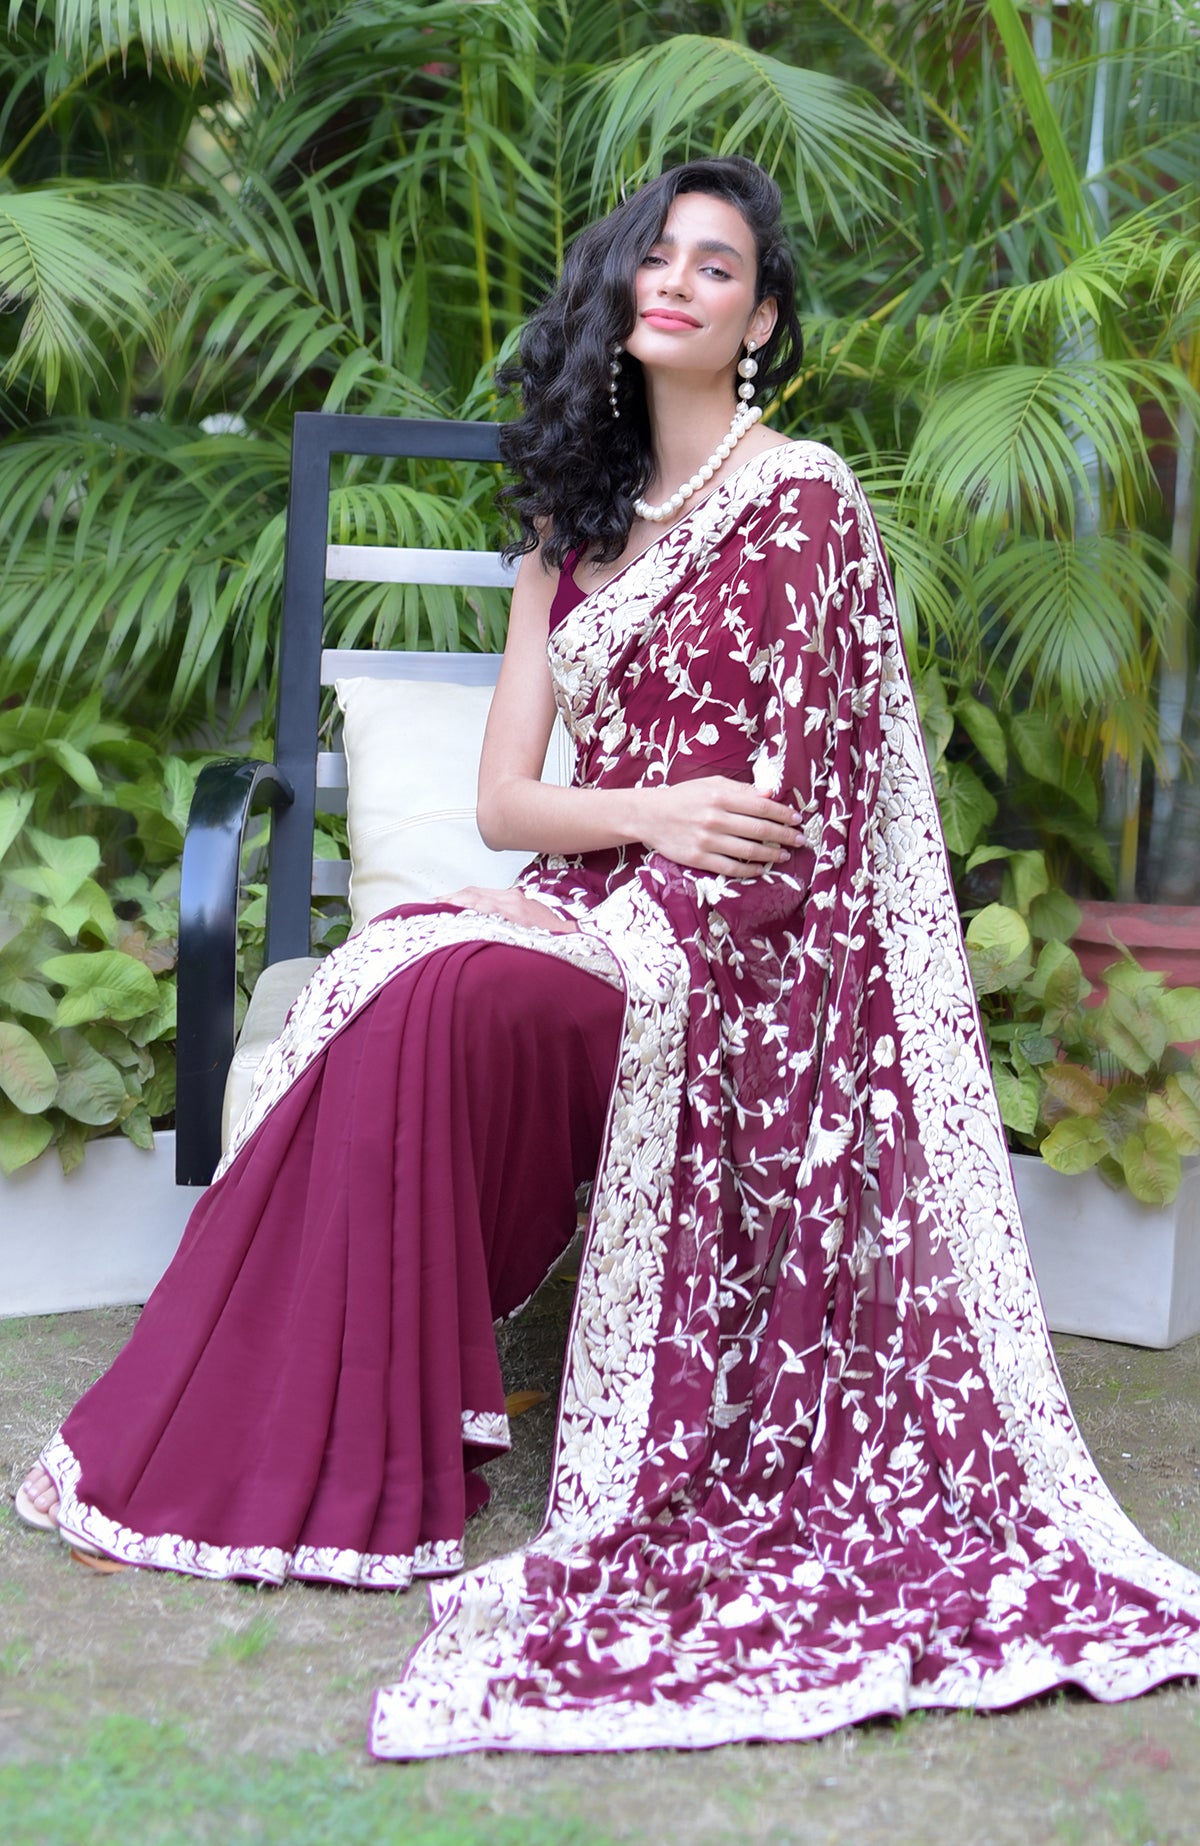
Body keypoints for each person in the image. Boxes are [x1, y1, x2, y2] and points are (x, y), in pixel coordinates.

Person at [16, 158, 1200, 1759]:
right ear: (619, 292)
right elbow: (510, 797)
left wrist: (674, 866)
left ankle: (375, 1449)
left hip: (732, 952)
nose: (678, 282)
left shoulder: (804, 501)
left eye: (718, 269)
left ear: (761, 319)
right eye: (657, 257)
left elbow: (801, 803)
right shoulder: (563, 535)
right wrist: (642, 818)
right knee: (406, 982)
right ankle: (338, 1462)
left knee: (437, 982)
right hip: (589, 903)